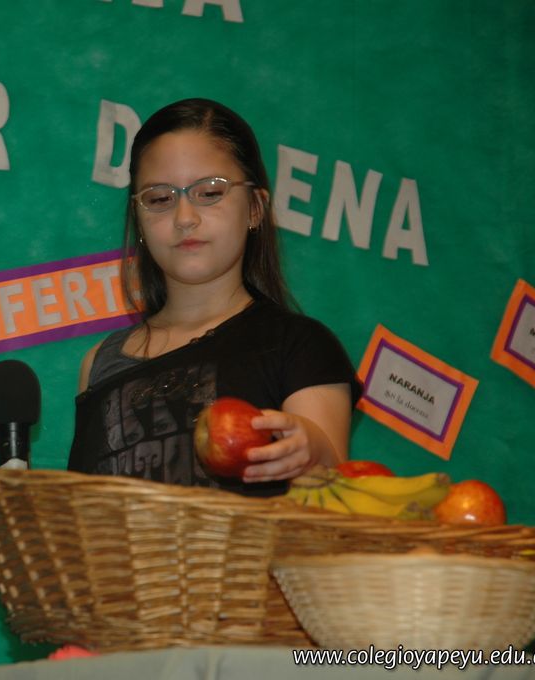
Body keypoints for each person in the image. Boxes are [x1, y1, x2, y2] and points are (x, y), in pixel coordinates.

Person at [68, 99, 362, 497]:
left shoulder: (299, 346)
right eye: (159, 198)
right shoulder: (99, 363)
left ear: (255, 207)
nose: (184, 217)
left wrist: (315, 454)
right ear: (138, 217)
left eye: (209, 192)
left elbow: (331, 499)